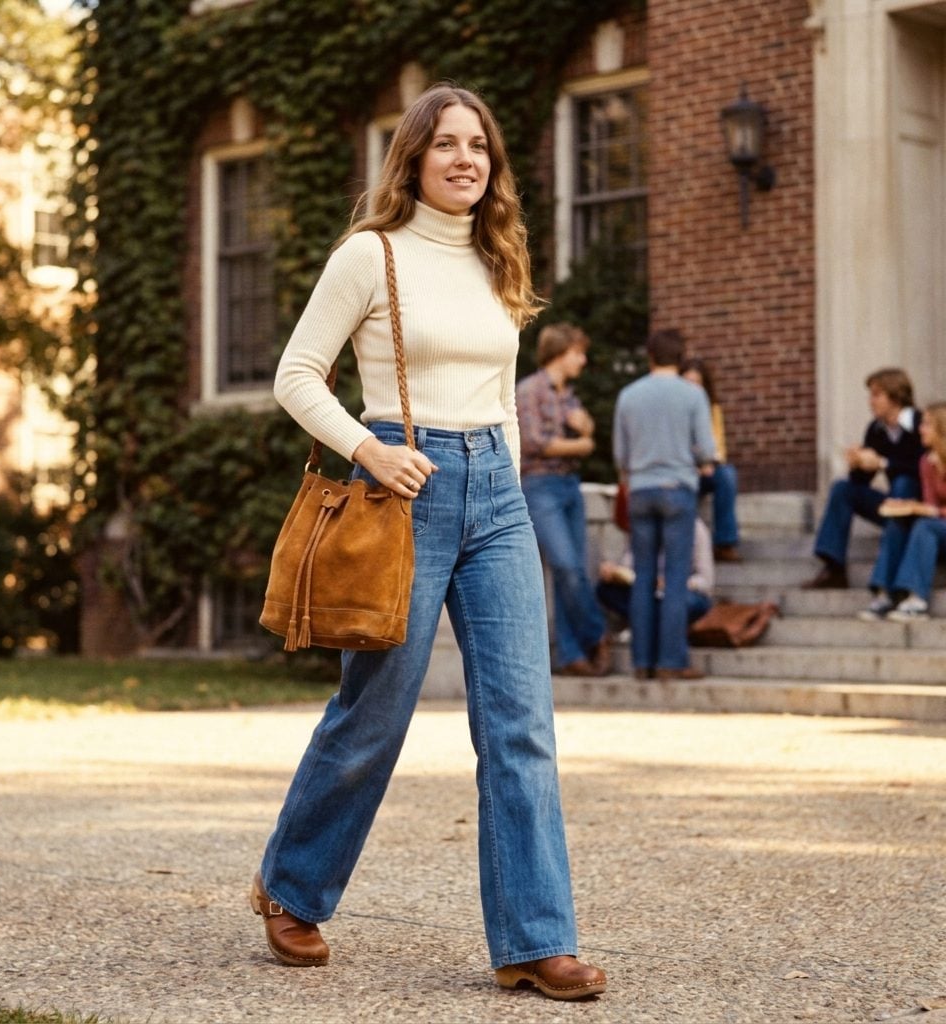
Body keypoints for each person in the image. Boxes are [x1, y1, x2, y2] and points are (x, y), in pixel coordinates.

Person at [250, 84, 606, 1002]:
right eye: (445, 144)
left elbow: (499, 397)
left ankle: (535, 937)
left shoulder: (498, 258)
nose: (465, 159)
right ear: (412, 159)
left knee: (520, 723)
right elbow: (296, 375)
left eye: (478, 145)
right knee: (375, 713)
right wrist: (372, 450)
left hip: (498, 495)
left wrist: (513, 490)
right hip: (400, 491)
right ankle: (291, 885)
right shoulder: (371, 255)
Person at [612, 328, 716, 680]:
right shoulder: (693, 395)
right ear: (681, 357)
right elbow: (707, 449)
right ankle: (672, 662)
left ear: (650, 356)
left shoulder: (629, 395)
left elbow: (620, 455)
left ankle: (642, 662)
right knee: (673, 578)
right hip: (677, 489)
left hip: (640, 490)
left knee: (643, 577)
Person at [516, 322, 609, 676]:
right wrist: (582, 442)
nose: (583, 360)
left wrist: (585, 430)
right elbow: (535, 443)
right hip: (540, 486)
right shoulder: (528, 390)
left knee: (572, 571)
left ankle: (572, 654)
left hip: (570, 485)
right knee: (567, 566)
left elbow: (588, 427)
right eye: (578, 353)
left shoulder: (568, 395)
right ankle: (597, 634)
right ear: (559, 352)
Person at [804, 368, 924, 589]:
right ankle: (834, 567)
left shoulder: (920, 423)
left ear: (895, 395)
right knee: (843, 488)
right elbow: (861, 482)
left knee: (903, 483)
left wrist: (883, 463)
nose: (870, 401)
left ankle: (886, 578)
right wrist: (857, 464)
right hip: (894, 505)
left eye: (877, 395)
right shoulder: (876, 429)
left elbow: (924, 469)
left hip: (922, 506)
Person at [857, 402, 946, 621]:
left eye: (926, 424)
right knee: (900, 521)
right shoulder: (926, 462)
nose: (920, 429)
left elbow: (933, 511)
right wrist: (909, 507)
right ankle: (885, 595)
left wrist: (925, 510)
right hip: (940, 529)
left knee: (925, 526)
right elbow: (931, 504)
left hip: (939, 526)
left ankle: (917, 600)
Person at [597, 516, 715, 632]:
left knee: (683, 603)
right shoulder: (643, 524)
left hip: (681, 591)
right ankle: (655, 624)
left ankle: (649, 626)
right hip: (647, 589)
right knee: (605, 590)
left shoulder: (696, 529)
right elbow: (628, 564)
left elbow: (706, 581)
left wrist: (672, 583)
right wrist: (614, 571)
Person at [680, 357, 741, 562]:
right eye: (687, 382)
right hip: (683, 471)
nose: (692, 388)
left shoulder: (712, 410)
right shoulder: (675, 411)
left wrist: (708, 462)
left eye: (696, 383)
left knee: (727, 475)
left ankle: (725, 543)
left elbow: (719, 450)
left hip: (707, 470)